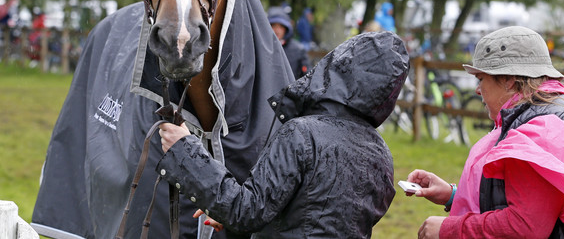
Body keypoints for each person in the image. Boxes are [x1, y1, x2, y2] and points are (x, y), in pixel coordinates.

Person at [157, 31, 410, 238]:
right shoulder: (382, 155)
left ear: (342, 66)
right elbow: (313, 216)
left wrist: (184, 150)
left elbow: (246, 212)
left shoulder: (302, 134)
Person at [405, 26, 564, 239]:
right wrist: (452, 195)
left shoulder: (538, 132)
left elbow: (524, 226)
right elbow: (535, 202)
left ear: (508, 79)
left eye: (481, 78)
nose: (478, 89)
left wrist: (449, 230)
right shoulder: (550, 113)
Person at [269, 10, 311, 78]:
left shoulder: (298, 50)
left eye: (281, 27)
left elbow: (306, 76)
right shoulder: (262, 48)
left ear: (286, 29)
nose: (277, 30)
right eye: (273, 26)